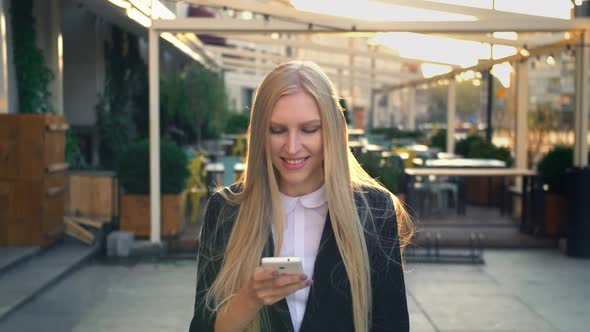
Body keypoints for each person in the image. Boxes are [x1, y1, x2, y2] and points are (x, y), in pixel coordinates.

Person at [189, 61, 413, 332]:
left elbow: (393, 325)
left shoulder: (374, 210)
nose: (292, 147)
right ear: (260, 132)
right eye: (277, 130)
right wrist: (250, 298)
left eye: (309, 129)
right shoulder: (225, 210)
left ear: (331, 130)